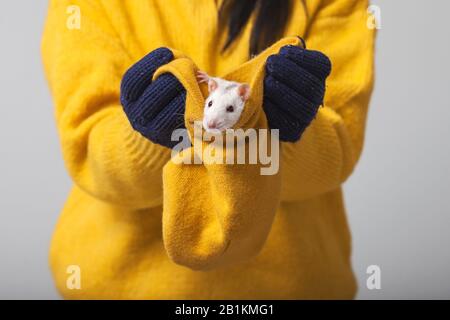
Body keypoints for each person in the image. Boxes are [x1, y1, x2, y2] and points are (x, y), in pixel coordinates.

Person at [42, 0, 375, 299]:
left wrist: (283, 132)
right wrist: (148, 134)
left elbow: (338, 148)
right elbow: (88, 151)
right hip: (118, 285)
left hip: (288, 286)